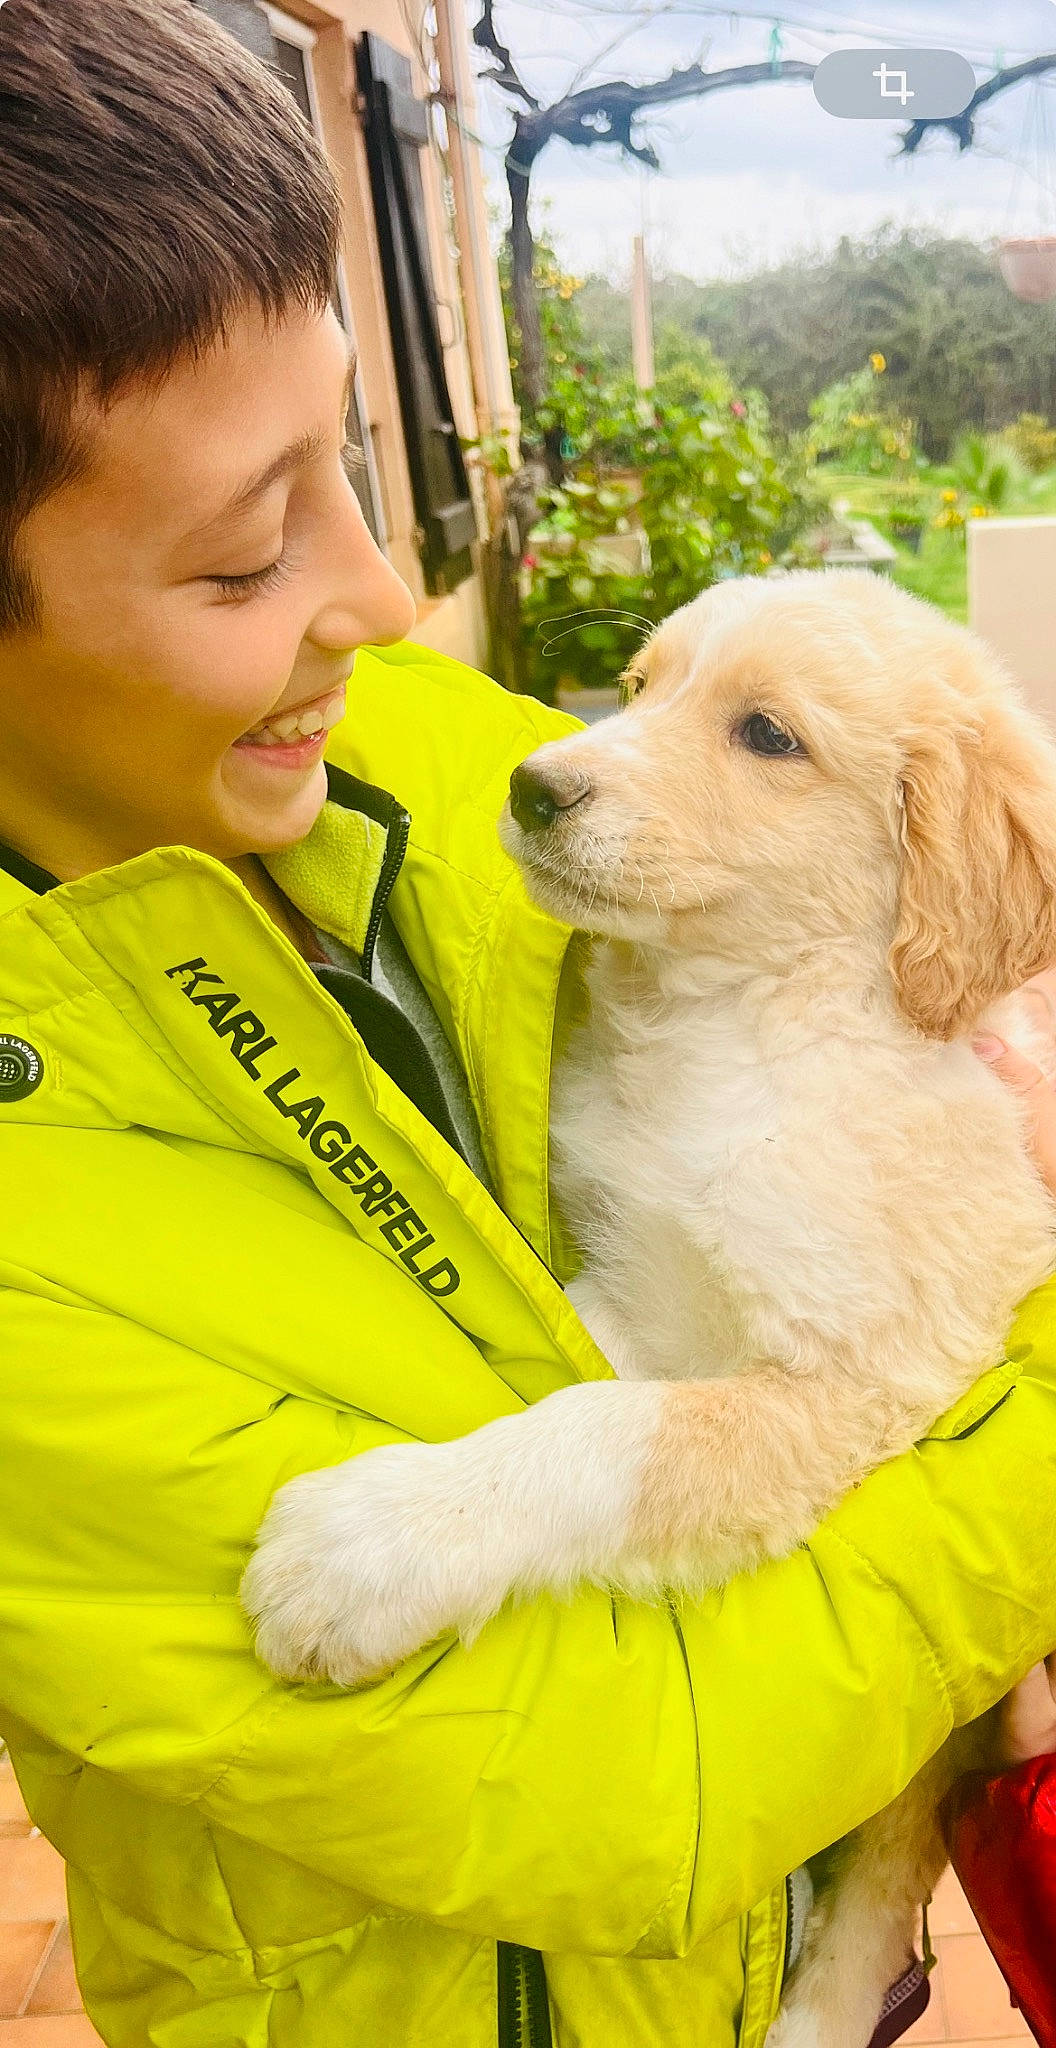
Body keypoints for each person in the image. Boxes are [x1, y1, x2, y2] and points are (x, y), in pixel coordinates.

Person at [0, 4, 1053, 2045]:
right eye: (242, 553)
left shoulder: (393, 749)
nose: (385, 598)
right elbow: (630, 1769)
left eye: (355, 472)